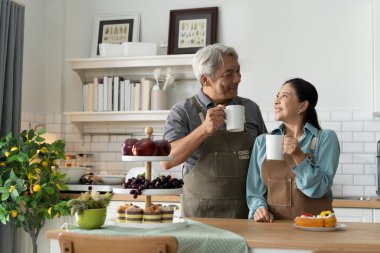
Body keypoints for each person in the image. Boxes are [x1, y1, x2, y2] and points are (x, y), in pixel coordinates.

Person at [160, 44, 267, 218]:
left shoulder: (251, 108)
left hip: (246, 214)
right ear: (205, 80)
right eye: (229, 74)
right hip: (199, 217)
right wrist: (204, 130)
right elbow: (167, 161)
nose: (238, 79)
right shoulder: (183, 111)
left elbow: (264, 159)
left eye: (238, 71)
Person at [246, 78, 340, 222]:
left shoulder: (325, 139)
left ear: (302, 106)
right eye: (277, 96)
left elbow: (319, 189)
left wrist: (298, 154)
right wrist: (259, 208)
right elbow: (255, 191)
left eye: (284, 96)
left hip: (316, 228)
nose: (276, 101)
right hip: (274, 228)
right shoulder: (262, 142)